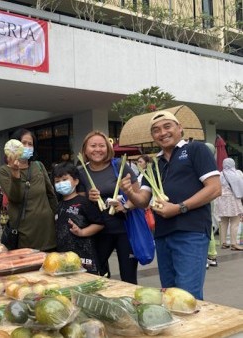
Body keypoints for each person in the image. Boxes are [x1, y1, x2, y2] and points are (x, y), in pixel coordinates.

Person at [120, 111, 221, 299]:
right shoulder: (155, 164)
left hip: (191, 232)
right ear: (153, 136)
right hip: (163, 235)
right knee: (170, 295)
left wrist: (179, 208)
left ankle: (195, 329)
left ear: (179, 128)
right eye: (156, 130)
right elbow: (143, 201)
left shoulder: (195, 150)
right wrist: (130, 192)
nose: (162, 133)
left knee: (187, 296)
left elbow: (214, 188)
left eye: (168, 126)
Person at [77, 131, 139, 284]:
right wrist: (88, 198)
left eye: (101, 146)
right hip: (98, 231)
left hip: (124, 230)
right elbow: (77, 199)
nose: (97, 149)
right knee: (100, 274)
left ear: (108, 148)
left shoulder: (119, 166)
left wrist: (125, 206)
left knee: (128, 276)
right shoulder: (81, 172)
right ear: (85, 149)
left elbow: (138, 195)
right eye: (93, 146)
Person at [0, 128, 58, 251]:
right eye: (23, 143)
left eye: (30, 144)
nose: (27, 147)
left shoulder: (39, 166)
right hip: (24, 234)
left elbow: (50, 194)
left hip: (48, 231)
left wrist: (57, 217)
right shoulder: (4, 171)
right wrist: (15, 173)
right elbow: (15, 197)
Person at [53, 162, 104, 274]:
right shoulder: (58, 205)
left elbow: (99, 224)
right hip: (64, 258)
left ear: (76, 181)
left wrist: (82, 232)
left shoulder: (83, 202)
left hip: (84, 258)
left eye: (65, 179)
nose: (61, 183)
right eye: (57, 181)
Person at [215, 158, 243, 251]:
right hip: (233, 199)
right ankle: (234, 244)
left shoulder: (220, 174)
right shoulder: (237, 174)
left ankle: (223, 243)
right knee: (235, 222)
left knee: (223, 222)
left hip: (221, 199)